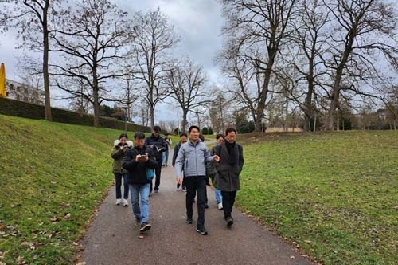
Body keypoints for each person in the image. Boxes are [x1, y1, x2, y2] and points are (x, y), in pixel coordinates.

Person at [175, 126, 219, 235]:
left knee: (201, 200)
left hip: (201, 177)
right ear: (189, 134)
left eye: (197, 132)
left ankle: (201, 225)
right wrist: (178, 174)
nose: (196, 134)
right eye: (193, 132)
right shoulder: (184, 147)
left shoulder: (203, 145)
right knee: (190, 198)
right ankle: (189, 215)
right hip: (189, 177)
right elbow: (178, 161)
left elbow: (207, 158)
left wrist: (213, 158)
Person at [123, 132, 158, 232]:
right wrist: (135, 160)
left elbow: (155, 164)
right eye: (138, 140)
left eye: (142, 140)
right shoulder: (129, 152)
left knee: (145, 200)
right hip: (133, 182)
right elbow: (125, 165)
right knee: (134, 202)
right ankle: (138, 215)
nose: (140, 142)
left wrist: (147, 160)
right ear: (135, 140)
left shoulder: (149, 150)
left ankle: (144, 221)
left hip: (145, 182)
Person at [213, 128, 244, 227]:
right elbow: (215, 161)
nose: (232, 138)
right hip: (223, 175)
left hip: (234, 175)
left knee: (232, 197)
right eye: (230, 136)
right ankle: (228, 216)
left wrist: (238, 170)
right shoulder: (219, 147)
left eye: (234, 136)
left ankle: (228, 211)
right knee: (225, 196)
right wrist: (220, 170)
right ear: (226, 136)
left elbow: (241, 160)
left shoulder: (239, 147)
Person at [111, 133, 132, 207]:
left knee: (126, 183)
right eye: (122, 140)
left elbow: (131, 155)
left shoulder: (129, 147)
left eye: (124, 140)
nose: (123, 141)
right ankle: (118, 198)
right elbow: (113, 155)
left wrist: (128, 149)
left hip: (126, 168)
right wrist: (120, 150)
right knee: (118, 184)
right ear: (119, 140)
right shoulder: (115, 147)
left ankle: (125, 198)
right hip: (117, 168)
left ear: (126, 140)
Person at [145, 126, 166, 193]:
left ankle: (156, 187)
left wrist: (161, 149)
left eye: (158, 132)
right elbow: (144, 146)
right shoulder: (148, 138)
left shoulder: (161, 139)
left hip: (158, 159)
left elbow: (165, 147)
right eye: (155, 132)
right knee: (150, 174)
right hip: (150, 159)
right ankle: (150, 188)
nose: (156, 133)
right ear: (153, 131)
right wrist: (149, 146)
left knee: (158, 174)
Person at [207, 133, 224, 210]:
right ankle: (219, 201)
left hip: (223, 170)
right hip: (215, 170)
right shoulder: (213, 149)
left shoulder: (226, 149)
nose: (221, 141)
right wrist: (210, 171)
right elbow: (209, 160)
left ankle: (223, 201)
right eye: (220, 140)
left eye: (222, 140)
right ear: (217, 140)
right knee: (217, 186)